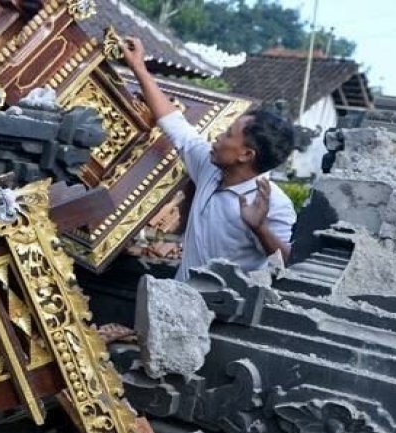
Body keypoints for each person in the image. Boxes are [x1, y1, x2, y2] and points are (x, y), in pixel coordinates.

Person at [121, 37, 297, 280]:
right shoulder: (209, 167)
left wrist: (259, 228)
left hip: (220, 313)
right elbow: (176, 125)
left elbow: (287, 264)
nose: (217, 138)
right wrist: (138, 67)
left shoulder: (274, 205)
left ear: (246, 154)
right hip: (177, 298)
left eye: (227, 135)